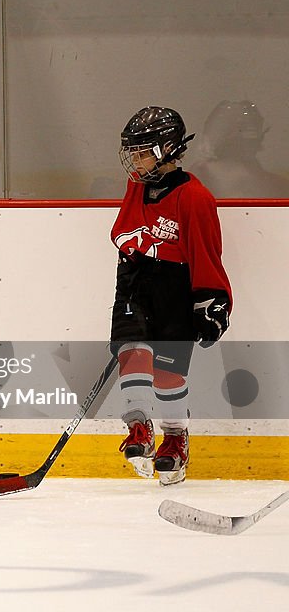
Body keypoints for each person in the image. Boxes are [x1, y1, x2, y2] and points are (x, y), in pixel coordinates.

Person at [111, 106, 232, 486]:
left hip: (173, 288)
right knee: (131, 352)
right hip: (135, 281)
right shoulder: (138, 187)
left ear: (167, 148)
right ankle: (138, 427)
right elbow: (125, 231)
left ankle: (175, 437)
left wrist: (212, 300)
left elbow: (206, 252)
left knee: (166, 371)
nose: (135, 159)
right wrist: (135, 255)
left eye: (142, 150)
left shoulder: (195, 197)